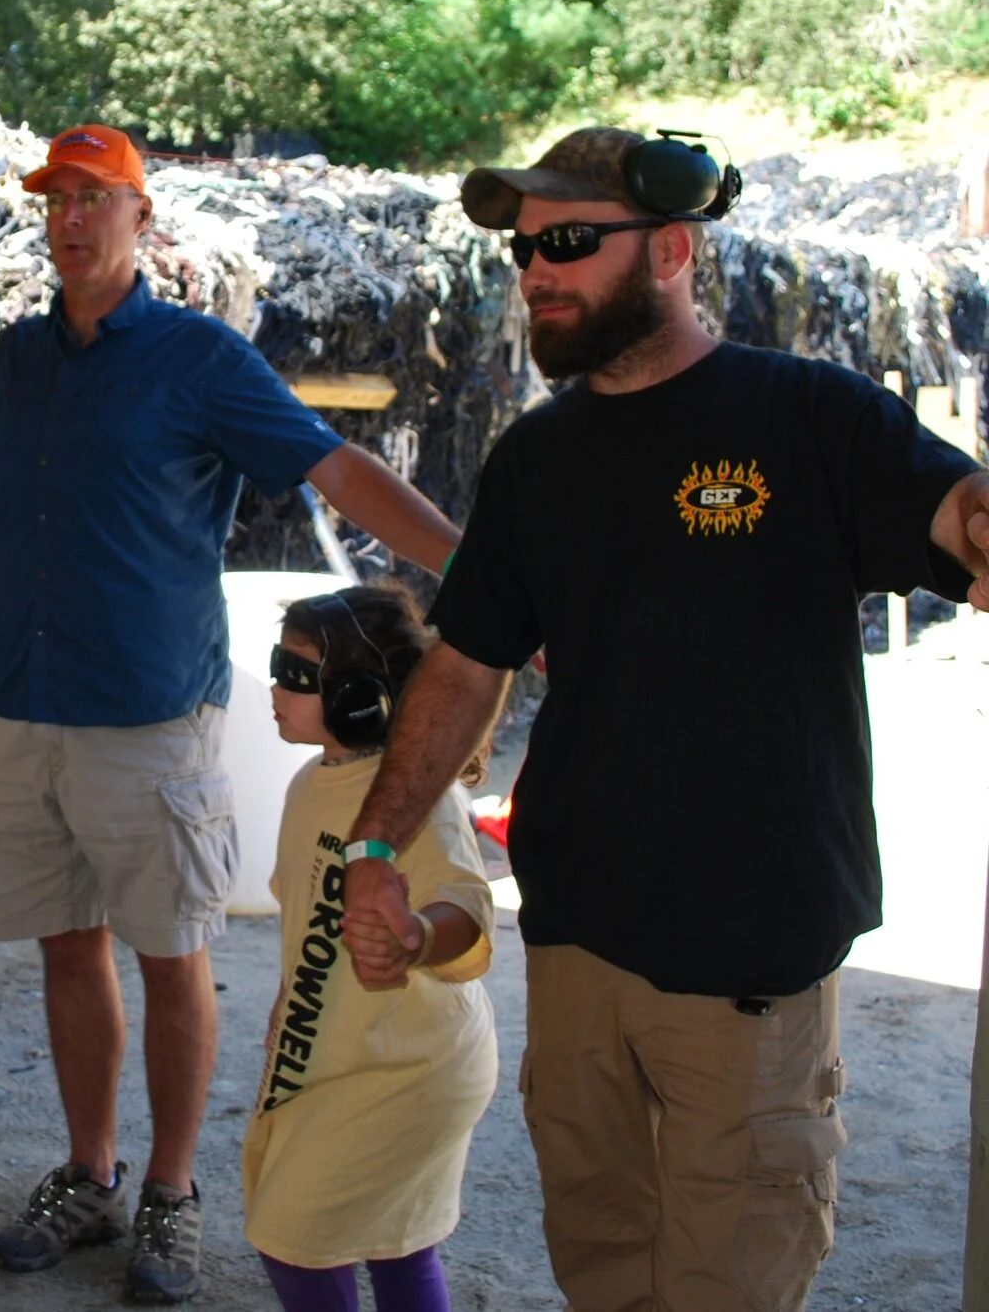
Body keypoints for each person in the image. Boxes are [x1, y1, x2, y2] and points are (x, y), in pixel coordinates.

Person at [0, 123, 459, 1303]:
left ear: (142, 220)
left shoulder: (198, 359)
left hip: (148, 718)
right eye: (54, 199)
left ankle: (170, 1194)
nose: (69, 217)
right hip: (25, 706)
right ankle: (88, 1172)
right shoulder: (19, 360)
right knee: (67, 947)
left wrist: (473, 568)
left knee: (171, 954)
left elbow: (332, 467)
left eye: (94, 197)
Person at [337, 125, 989, 1312]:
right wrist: (375, 846)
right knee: (602, 1269)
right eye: (524, 249)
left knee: (726, 1284)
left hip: (747, 955)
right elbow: (464, 663)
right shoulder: (535, 458)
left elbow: (959, 525)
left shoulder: (808, 416)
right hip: (579, 943)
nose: (535, 270)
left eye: (569, 242)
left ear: (673, 250)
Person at [243, 584, 496, 1312]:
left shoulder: (416, 796)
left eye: (297, 676)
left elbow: (469, 911)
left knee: (291, 1234)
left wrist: (416, 938)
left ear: (360, 698)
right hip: (349, 1049)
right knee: (396, 1240)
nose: (276, 688)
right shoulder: (310, 785)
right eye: (277, 667)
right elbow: (306, 917)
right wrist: (290, 1004)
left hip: (409, 1066)